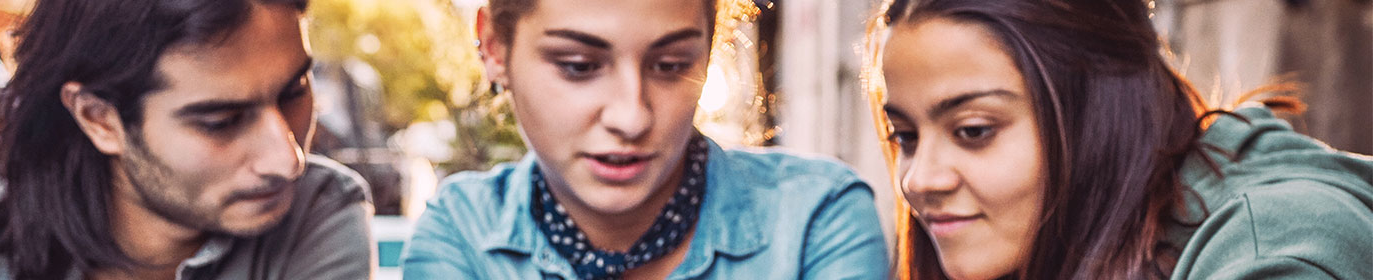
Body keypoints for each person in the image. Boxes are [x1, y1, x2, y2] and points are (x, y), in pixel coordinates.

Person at [0, 0, 376, 279]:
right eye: (219, 121)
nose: (288, 157)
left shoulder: (319, 217)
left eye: (294, 91)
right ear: (98, 118)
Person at [869, 0, 1373, 279]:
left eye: (973, 132)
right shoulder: (1040, 245)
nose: (918, 180)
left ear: (1100, 109)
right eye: (906, 136)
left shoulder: (1276, 247)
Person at [401, 0, 889, 279]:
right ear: (494, 48)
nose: (632, 117)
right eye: (579, 67)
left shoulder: (815, 219)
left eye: (670, 66)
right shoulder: (459, 232)